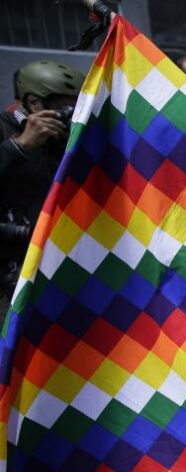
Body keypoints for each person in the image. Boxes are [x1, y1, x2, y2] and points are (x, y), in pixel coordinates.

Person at [0, 60, 83, 321]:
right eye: (63, 106)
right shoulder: (6, 129)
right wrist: (21, 145)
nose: (69, 113)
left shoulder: (64, 137)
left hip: (58, 262)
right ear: (34, 103)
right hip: (11, 261)